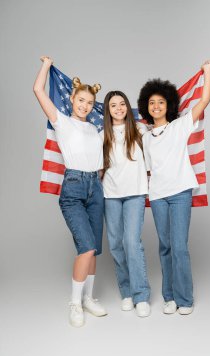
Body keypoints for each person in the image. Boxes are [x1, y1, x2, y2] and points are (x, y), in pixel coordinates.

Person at [33, 56, 107, 327]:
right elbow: (38, 91)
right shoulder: (62, 121)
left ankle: (89, 298)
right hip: (74, 188)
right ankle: (75, 303)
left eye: (89, 103)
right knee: (86, 247)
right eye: (81, 100)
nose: (85, 106)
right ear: (72, 99)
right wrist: (46, 65)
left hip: (95, 187)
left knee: (95, 249)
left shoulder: (95, 129)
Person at [137, 61, 210, 315]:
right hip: (157, 196)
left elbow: (204, 101)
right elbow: (143, 168)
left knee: (179, 246)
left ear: (169, 104)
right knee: (165, 246)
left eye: (160, 102)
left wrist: (208, 72)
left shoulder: (180, 126)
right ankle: (169, 296)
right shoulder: (146, 138)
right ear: (146, 107)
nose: (156, 106)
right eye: (151, 103)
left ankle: (185, 299)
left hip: (180, 193)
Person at [102, 91, 151, 317]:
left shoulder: (140, 130)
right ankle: (126, 292)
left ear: (127, 107)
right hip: (110, 194)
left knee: (132, 241)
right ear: (108, 110)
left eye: (122, 104)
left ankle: (141, 295)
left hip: (135, 193)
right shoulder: (102, 134)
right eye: (114, 105)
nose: (119, 108)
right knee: (115, 244)